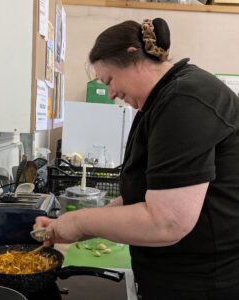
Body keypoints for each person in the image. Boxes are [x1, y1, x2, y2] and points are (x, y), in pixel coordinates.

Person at [34, 18, 239, 299]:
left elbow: (167, 221)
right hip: (175, 277)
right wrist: (70, 228)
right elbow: (140, 199)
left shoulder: (185, 99)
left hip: (203, 284)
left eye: (110, 80)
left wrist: (81, 222)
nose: (111, 93)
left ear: (132, 55)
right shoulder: (161, 102)